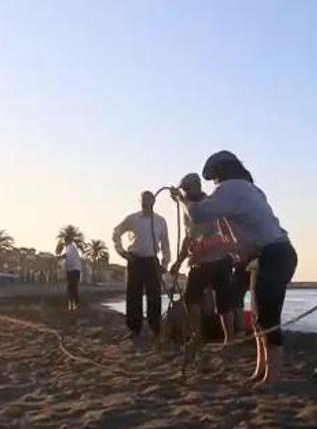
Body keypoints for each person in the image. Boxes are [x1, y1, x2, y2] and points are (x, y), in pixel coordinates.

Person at [187, 150, 297, 388]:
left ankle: (272, 377)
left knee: (267, 317)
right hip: (276, 253)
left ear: (219, 174)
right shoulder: (252, 190)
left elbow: (199, 213)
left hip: (273, 255)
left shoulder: (229, 190)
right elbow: (235, 238)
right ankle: (261, 370)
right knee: (258, 317)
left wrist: (189, 195)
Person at [169, 173, 240, 344]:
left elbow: (221, 232)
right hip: (199, 261)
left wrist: (180, 199)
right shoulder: (188, 206)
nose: (184, 192)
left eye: (186, 189)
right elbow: (188, 237)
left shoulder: (209, 205)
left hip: (219, 259)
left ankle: (228, 339)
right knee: (191, 298)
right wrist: (179, 261)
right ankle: (197, 336)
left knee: (223, 301)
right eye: (183, 190)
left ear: (196, 187)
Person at [112, 191, 171, 337]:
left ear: (154, 201)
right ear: (140, 201)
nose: (146, 202)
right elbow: (116, 232)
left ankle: (155, 327)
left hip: (152, 260)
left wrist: (165, 263)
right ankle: (134, 329)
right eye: (144, 200)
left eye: (149, 200)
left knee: (154, 295)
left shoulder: (160, 221)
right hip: (135, 260)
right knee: (133, 295)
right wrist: (122, 252)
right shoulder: (132, 219)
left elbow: (165, 244)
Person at [58, 238, 82, 311]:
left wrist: (60, 257)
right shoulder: (69, 247)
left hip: (74, 270)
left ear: (67, 241)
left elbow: (67, 255)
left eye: (65, 242)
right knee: (71, 287)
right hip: (72, 270)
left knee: (72, 287)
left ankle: (74, 304)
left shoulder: (71, 247)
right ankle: (72, 304)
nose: (65, 243)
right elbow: (67, 258)